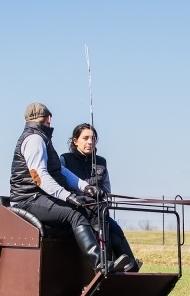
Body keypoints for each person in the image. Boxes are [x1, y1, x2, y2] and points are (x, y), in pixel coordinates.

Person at [9, 102, 129, 273]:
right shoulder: (35, 139)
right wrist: (67, 196)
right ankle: (100, 265)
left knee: (93, 207)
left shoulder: (41, 138)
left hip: (39, 197)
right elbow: (39, 176)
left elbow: (60, 170)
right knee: (75, 214)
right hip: (28, 199)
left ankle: (120, 260)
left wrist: (85, 187)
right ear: (48, 119)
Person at [60, 123, 140, 271]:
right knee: (104, 226)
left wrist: (101, 193)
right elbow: (62, 187)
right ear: (75, 141)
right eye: (85, 138)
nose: (90, 142)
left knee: (115, 229)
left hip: (99, 210)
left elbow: (106, 190)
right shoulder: (65, 160)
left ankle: (131, 265)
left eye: (93, 138)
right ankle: (104, 263)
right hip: (78, 210)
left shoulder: (101, 162)